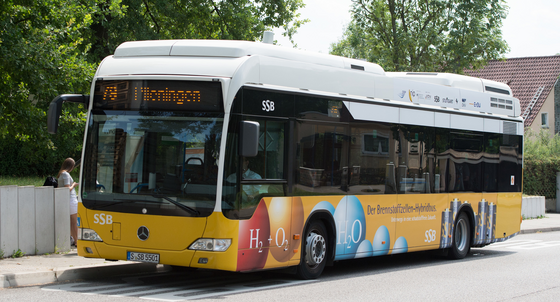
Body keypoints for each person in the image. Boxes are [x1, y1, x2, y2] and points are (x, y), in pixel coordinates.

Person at [58, 158, 78, 247]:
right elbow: (67, 189)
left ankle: (73, 239)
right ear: (71, 166)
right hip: (71, 200)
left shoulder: (61, 174)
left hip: (67, 201)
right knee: (74, 222)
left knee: (71, 222)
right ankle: (77, 241)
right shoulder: (66, 174)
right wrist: (73, 184)